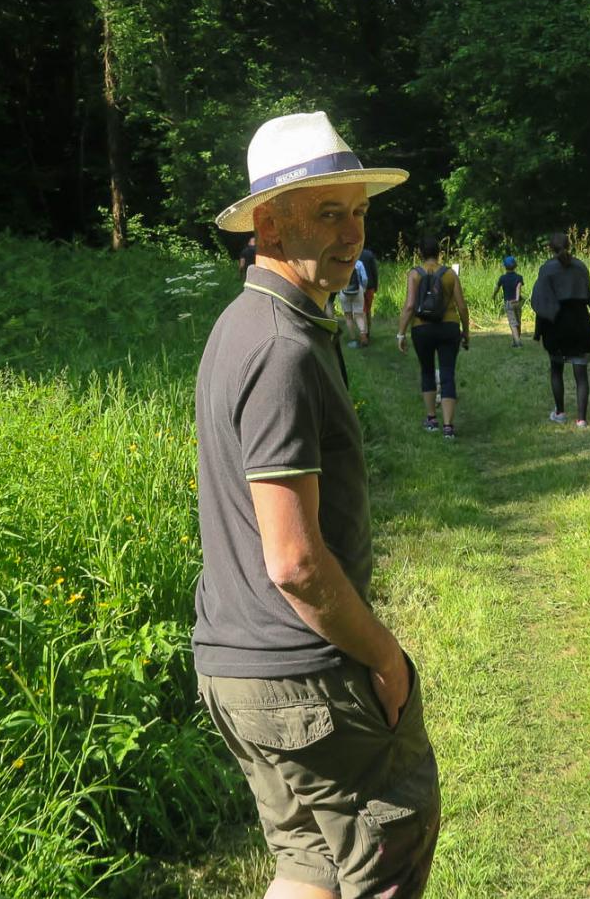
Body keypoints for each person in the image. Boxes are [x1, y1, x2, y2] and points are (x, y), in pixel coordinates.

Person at [196, 111, 439, 899]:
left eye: (360, 211)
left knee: (309, 862)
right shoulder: (280, 346)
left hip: (242, 670)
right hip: (303, 677)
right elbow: (295, 561)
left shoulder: (245, 323)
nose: (353, 233)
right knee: (390, 843)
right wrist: (385, 657)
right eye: (329, 212)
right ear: (269, 222)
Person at [396, 233, 469, 438]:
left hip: (422, 328)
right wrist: (466, 331)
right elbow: (462, 307)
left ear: (420, 253)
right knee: (447, 372)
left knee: (427, 371)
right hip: (449, 327)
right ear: (439, 253)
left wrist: (401, 333)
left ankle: (431, 419)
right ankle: (448, 427)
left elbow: (410, 305)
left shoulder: (415, 274)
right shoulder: (449, 275)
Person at [530, 232, 590, 427]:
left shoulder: (546, 269)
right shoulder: (581, 266)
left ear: (550, 248)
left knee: (556, 369)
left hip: (556, 323)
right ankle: (582, 419)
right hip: (580, 321)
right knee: (581, 375)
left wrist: (538, 332)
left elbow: (541, 302)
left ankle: (560, 412)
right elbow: (589, 295)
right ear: (570, 245)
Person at [494, 255, 526, 347]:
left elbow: (497, 288)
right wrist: (517, 298)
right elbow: (519, 287)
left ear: (504, 266)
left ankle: (517, 342)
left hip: (509, 303)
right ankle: (515, 341)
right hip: (518, 303)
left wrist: (494, 295)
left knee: (512, 323)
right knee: (518, 321)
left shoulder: (502, 278)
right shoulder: (519, 277)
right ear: (515, 265)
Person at [341, 252, 371, 347]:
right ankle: (363, 334)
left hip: (344, 291)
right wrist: (364, 288)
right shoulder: (359, 263)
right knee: (359, 315)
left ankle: (353, 340)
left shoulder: (340, 264)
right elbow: (365, 278)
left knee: (348, 316)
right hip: (358, 291)